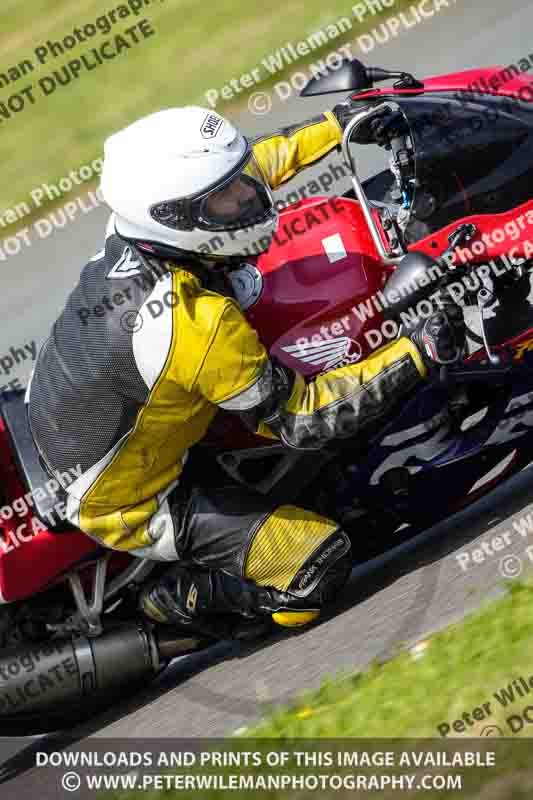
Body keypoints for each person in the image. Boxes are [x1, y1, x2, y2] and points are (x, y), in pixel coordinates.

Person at [26, 105, 464, 637]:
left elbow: (257, 163)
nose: (246, 197)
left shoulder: (143, 227)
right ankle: (177, 597)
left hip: (79, 408)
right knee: (317, 562)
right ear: (176, 217)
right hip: (132, 499)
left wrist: (342, 122)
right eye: (226, 196)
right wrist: (415, 351)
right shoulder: (192, 323)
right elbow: (303, 418)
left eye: (235, 184)